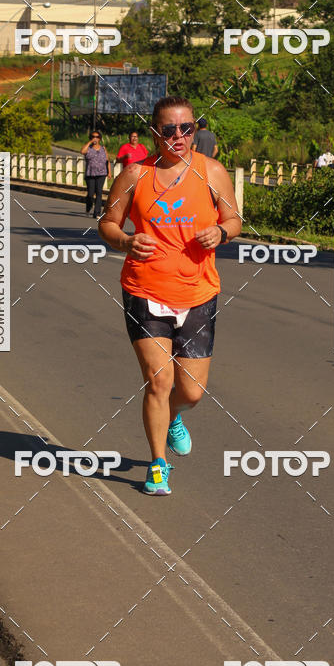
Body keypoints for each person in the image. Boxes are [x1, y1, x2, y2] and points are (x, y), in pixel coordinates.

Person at [99, 96, 241, 495]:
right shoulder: (134, 175)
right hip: (144, 289)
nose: (178, 137)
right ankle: (157, 465)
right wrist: (126, 241)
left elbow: (234, 218)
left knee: (191, 392)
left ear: (195, 130)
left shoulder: (212, 172)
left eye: (186, 128)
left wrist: (223, 232)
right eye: (168, 130)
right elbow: (107, 224)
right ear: (154, 133)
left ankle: (175, 416)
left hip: (198, 292)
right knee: (158, 382)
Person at [81, 129, 111, 219]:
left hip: (102, 173)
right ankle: (88, 206)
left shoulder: (103, 149)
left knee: (99, 192)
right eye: (93, 137)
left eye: (97, 137)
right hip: (90, 174)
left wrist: (109, 172)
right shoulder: (88, 149)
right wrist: (89, 142)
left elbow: (107, 161)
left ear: (100, 139)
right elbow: (82, 151)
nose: (95, 138)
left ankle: (97, 213)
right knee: (90, 194)